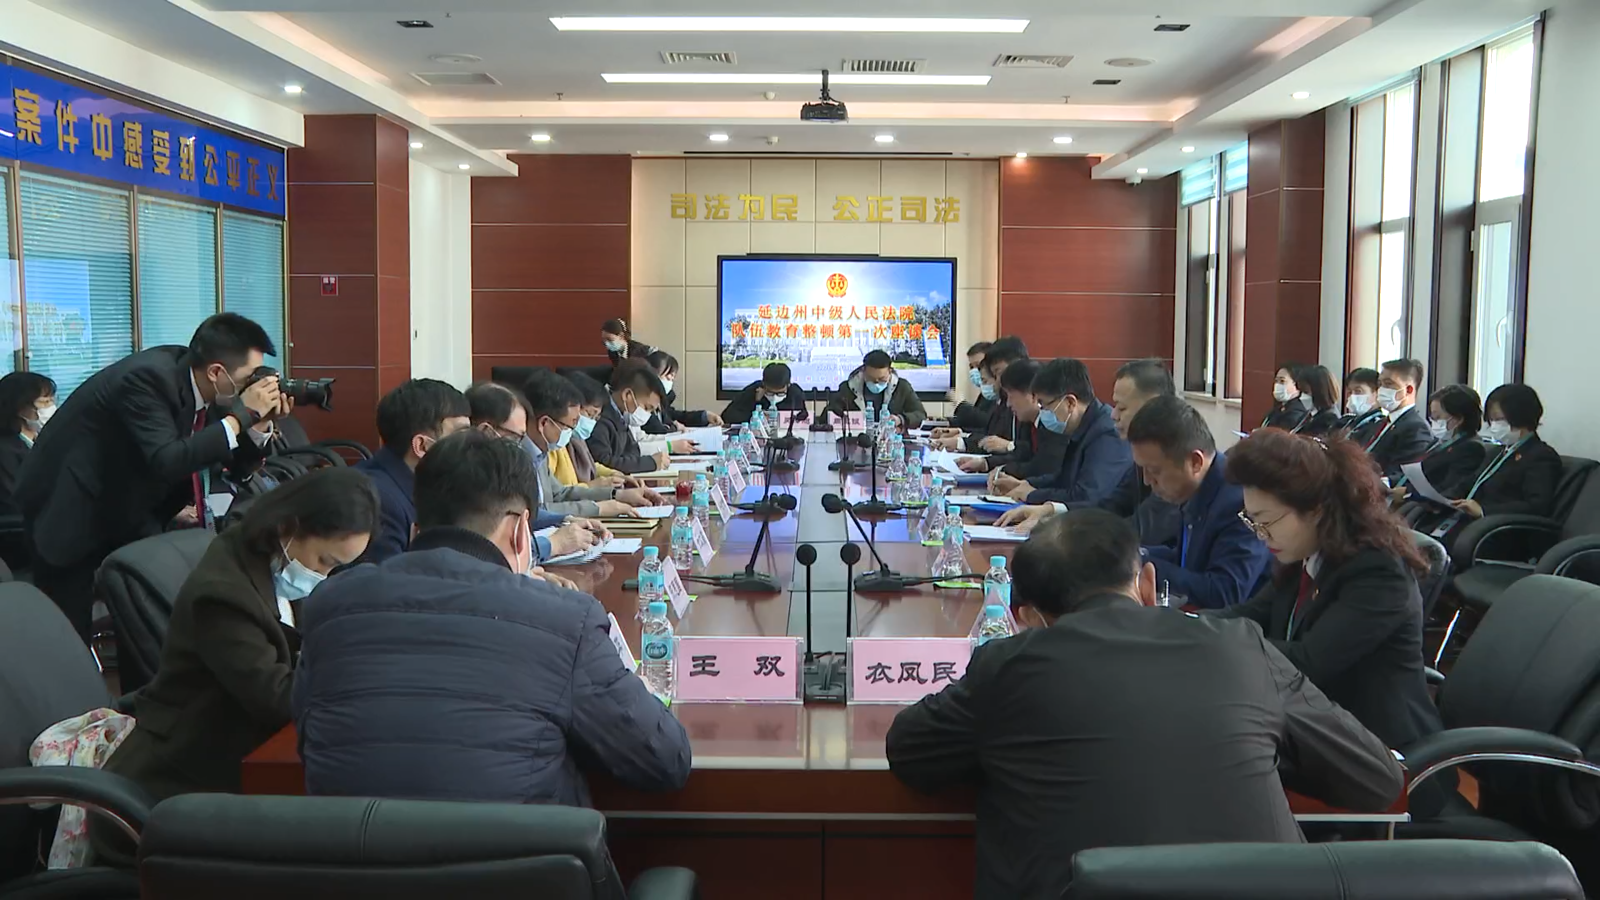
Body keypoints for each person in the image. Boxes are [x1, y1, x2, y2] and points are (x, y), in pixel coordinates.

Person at [886, 509, 1404, 900]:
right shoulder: (1242, 647)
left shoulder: (1008, 666)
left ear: (1025, 616)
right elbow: (1376, 777)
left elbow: (910, 751)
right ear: (1148, 584)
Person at [292, 429, 692, 805]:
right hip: (515, 855)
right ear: (520, 531)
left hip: (352, 853)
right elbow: (664, 759)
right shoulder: (566, 619)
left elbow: (312, 735)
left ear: (415, 529)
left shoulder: (330, 603)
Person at [89, 468, 381, 867]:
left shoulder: (268, 558)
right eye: (325, 562)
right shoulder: (225, 595)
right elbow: (278, 699)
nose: (323, 576)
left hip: (235, 745)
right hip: (184, 774)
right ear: (291, 526)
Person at [17, 313, 286, 640]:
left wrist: (258, 424)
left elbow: (234, 464)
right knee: (68, 630)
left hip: (131, 506)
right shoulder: (147, 378)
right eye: (248, 378)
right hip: (70, 507)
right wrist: (242, 416)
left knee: (145, 613)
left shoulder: (210, 390)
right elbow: (167, 459)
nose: (253, 388)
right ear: (217, 372)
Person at [1214, 430, 1443, 767]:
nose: (1261, 535)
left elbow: (1308, 662)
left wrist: (1214, 642)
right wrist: (1182, 625)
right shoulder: (1306, 554)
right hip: (1314, 727)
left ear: (1315, 510)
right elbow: (1252, 612)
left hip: (1378, 755)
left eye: (1266, 521)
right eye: (1252, 521)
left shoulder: (1378, 573)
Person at [995, 358, 1179, 544]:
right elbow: (1109, 507)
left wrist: (1054, 521)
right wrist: (1050, 511)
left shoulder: (1169, 457)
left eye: (1122, 408)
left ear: (1153, 406)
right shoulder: (1138, 454)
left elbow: (1134, 529)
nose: (1114, 415)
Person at [1124, 396, 1271, 608]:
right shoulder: (1198, 486)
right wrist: (1133, 556)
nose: (1147, 480)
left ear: (1195, 462)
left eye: (1154, 470)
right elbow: (1188, 558)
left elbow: (1225, 592)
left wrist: (1144, 565)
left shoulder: (1240, 500)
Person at [1411, 383, 1561, 545]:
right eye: (1492, 420)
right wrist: (1441, 500)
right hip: (1468, 523)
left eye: (1499, 419)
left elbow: (1537, 506)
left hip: (1498, 532)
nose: (1493, 425)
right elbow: (1469, 483)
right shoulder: (1497, 453)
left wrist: (1483, 510)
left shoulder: (1540, 456)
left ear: (1520, 416)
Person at [508, 375, 665, 517]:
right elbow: (536, 512)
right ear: (544, 423)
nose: (572, 432)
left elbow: (560, 494)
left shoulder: (539, 454)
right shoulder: (514, 459)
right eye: (570, 426)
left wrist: (617, 495)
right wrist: (598, 508)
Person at [353, 378, 472, 563]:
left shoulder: (431, 484)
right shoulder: (378, 502)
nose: (471, 445)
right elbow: (386, 578)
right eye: (460, 435)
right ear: (422, 446)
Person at [1002, 358, 1131, 509]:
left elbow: (1086, 495)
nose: (1042, 412)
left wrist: (1032, 494)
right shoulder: (1082, 426)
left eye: (1044, 405)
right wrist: (1026, 484)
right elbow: (1063, 479)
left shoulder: (1106, 433)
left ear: (1070, 403)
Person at [1392, 384, 1487, 504]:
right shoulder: (1439, 442)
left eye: (1437, 417)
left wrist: (1409, 494)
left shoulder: (1471, 448)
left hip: (1431, 506)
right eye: (1432, 417)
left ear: (1458, 419)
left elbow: (1448, 488)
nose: (1434, 422)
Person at [934, 338, 1026, 454]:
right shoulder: (999, 399)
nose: (996, 382)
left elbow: (986, 426)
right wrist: (960, 435)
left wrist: (1009, 447)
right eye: (972, 367)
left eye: (997, 373)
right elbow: (990, 435)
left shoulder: (1023, 403)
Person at [588, 360, 672, 474]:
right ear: (627, 395)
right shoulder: (599, 417)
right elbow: (604, 463)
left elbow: (632, 450)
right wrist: (650, 463)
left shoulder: (621, 417)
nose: (647, 414)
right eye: (646, 408)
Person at [1357, 358, 1435, 481]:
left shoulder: (1416, 429)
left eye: (1388, 384)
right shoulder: (1380, 424)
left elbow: (1404, 476)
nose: (1381, 389)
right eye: (1380, 384)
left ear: (1408, 390)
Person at [823, 349, 927, 429]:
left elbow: (920, 414)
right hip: (856, 441)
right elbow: (826, 416)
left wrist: (900, 419)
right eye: (871, 379)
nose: (876, 383)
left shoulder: (902, 387)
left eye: (881, 379)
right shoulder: (848, 388)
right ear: (863, 371)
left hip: (892, 440)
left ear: (890, 371)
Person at [0, 372, 55, 522]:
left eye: (52, 401)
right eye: (44, 402)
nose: (51, 407)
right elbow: (15, 502)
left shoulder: (43, 441)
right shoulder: (5, 452)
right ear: (20, 407)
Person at [641, 350, 723, 434]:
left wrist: (705, 416)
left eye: (672, 378)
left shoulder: (662, 403)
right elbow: (656, 429)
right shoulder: (642, 404)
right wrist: (674, 427)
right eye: (668, 376)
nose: (670, 380)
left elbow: (674, 416)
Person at [721, 362, 806, 425]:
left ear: (788, 385)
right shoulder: (754, 390)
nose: (774, 397)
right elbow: (727, 416)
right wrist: (756, 405)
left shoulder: (795, 393)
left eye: (780, 394)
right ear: (763, 384)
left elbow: (803, 416)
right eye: (770, 393)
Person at [949, 340, 994, 430]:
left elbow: (987, 423)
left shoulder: (996, 392)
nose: (974, 370)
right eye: (971, 367)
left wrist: (961, 404)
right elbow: (974, 426)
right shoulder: (984, 393)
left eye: (979, 365)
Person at [1290, 364, 1342, 437]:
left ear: (1320, 391)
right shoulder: (1308, 414)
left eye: (1305, 392)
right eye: (1300, 392)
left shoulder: (1329, 419)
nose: (1302, 397)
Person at [1261, 364, 1312, 431]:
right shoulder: (1278, 409)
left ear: (1296, 384)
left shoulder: (1297, 412)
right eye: (1276, 381)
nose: (1277, 385)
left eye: (1282, 381)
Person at [1338, 367, 1383, 434]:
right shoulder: (1346, 420)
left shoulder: (1379, 425)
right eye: (1350, 392)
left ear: (1377, 393)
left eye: (1358, 391)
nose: (1352, 396)